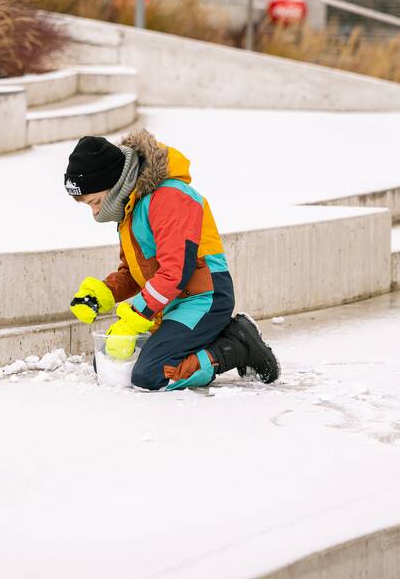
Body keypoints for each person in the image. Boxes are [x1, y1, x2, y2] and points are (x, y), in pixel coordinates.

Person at [65, 130, 280, 390]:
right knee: (110, 364)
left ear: (115, 181)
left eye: (96, 202)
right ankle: (211, 337)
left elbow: (175, 272)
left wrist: (133, 319)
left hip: (203, 298)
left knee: (150, 375)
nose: (96, 212)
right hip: (168, 301)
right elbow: (137, 272)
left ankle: (234, 346)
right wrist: (101, 294)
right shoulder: (129, 208)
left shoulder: (169, 197)